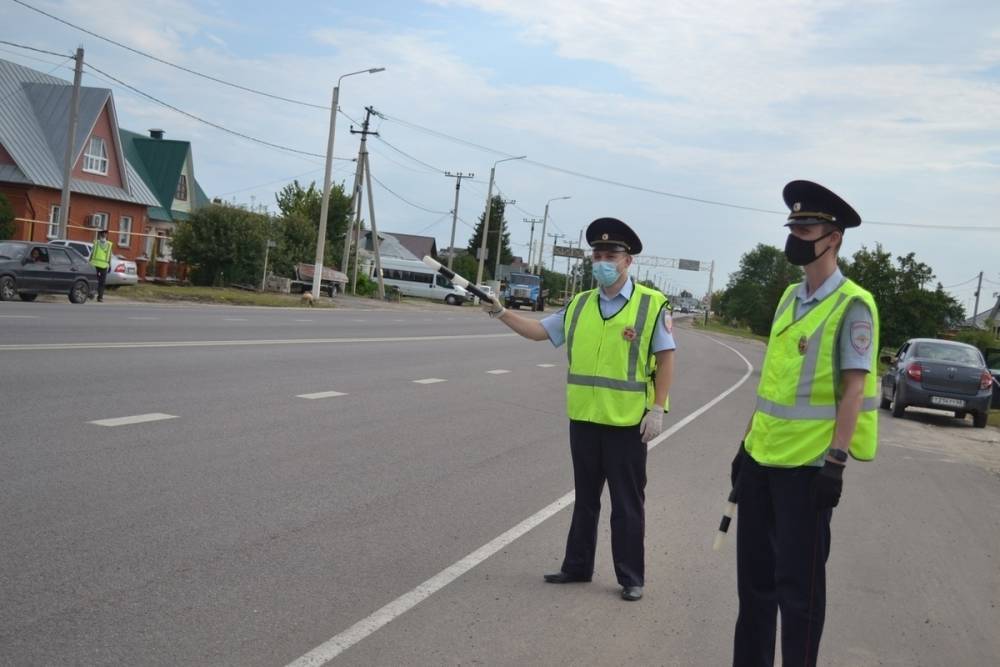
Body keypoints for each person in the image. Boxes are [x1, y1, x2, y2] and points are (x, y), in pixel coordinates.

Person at [480, 217, 675, 602]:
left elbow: (666, 359)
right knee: (584, 499)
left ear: (627, 262)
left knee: (627, 504)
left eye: (610, 255)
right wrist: (500, 312)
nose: (602, 261)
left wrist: (658, 408)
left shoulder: (651, 305)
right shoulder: (581, 304)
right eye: (597, 254)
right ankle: (577, 566)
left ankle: (631, 576)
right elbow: (539, 332)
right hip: (584, 420)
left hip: (626, 424)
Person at [730, 181, 880, 667]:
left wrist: (835, 464)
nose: (797, 234)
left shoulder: (853, 304)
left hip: (807, 471)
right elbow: (772, 383)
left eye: (807, 226)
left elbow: (854, 390)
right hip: (761, 461)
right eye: (793, 225)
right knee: (754, 588)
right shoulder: (788, 299)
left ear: (834, 237)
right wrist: (745, 446)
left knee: (799, 593)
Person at [90, 229, 114, 302]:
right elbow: (92, 253)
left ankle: (96, 296)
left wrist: (109, 265)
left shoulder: (99, 243)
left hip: (98, 265)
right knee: (99, 282)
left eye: (105, 234)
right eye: (104, 234)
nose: (104, 235)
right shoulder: (99, 243)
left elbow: (109, 255)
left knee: (97, 281)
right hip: (99, 265)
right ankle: (98, 296)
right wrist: (109, 265)